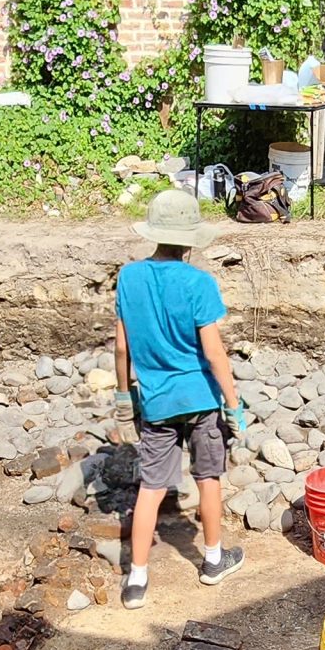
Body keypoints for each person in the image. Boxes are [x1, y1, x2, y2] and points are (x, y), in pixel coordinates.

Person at [114, 187, 246, 610]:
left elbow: (121, 348)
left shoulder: (129, 278)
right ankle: (212, 560)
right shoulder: (198, 283)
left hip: (156, 401)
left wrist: (123, 394)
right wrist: (233, 403)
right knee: (208, 478)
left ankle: (136, 580)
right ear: (191, 239)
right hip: (201, 399)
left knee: (151, 488)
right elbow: (213, 352)